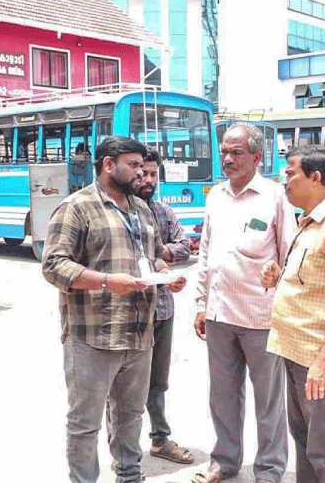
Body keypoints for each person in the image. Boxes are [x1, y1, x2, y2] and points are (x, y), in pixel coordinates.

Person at [42, 136, 186, 483]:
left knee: (130, 416)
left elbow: (148, 256)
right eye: (134, 165)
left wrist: (163, 275)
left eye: (143, 166)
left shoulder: (141, 209)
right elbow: (53, 265)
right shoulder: (77, 207)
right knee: (85, 423)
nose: (141, 173)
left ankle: (129, 476)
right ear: (109, 164)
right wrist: (107, 281)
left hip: (139, 335)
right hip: (93, 336)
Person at [192, 123, 296, 483]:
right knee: (222, 395)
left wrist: (278, 280)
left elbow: (291, 255)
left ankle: (269, 469)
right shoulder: (215, 196)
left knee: (268, 401)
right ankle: (225, 460)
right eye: (224, 150)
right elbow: (206, 254)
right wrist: (200, 303)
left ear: (256, 156)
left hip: (260, 315)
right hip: (219, 312)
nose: (228, 158)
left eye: (236, 152)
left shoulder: (274, 196)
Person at [260, 145, 325, 483]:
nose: (283, 181)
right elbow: (314, 282)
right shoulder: (309, 223)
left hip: (316, 357)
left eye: (290, 173)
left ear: (315, 177)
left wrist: (324, 361)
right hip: (294, 351)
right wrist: (280, 278)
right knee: (305, 440)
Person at [135, 147, 194, 464]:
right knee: (126, 383)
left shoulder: (163, 211)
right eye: (142, 172)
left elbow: (184, 246)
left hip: (163, 309)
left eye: (154, 174)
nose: (148, 180)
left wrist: (158, 253)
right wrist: (158, 255)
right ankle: (126, 450)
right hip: (129, 312)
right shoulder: (120, 212)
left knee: (158, 381)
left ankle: (159, 439)